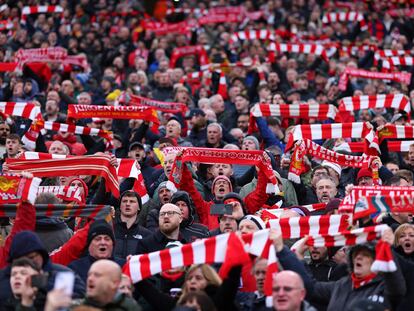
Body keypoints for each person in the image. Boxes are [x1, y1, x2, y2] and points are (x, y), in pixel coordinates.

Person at [0, 231, 85, 307]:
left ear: (42, 255)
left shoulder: (63, 275)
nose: (28, 263)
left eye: (31, 257)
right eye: (21, 260)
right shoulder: (3, 278)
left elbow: (80, 299)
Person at [76, 260, 141, 310]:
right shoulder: (76, 307)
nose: (90, 279)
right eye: (89, 275)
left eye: (97, 275)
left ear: (114, 283)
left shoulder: (130, 308)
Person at [113, 191, 152, 259]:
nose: (127, 204)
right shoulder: (110, 230)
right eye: (124, 201)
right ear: (120, 206)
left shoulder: (147, 235)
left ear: (139, 207)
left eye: (132, 201)